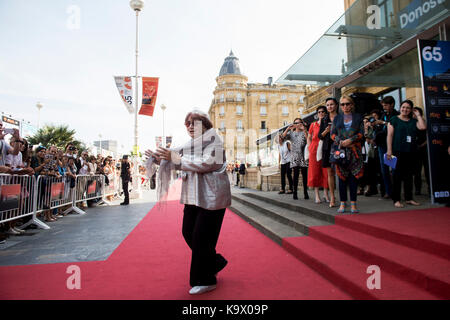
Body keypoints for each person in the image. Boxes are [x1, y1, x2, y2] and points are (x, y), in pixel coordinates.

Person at [146, 109, 231, 295]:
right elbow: (174, 158)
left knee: (202, 237)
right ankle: (215, 262)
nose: (191, 127)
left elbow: (207, 164)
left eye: (195, 123)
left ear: (205, 125)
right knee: (188, 232)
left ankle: (206, 279)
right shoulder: (189, 144)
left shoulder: (214, 140)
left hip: (212, 198)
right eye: (188, 124)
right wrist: (157, 156)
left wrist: (173, 158)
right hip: (193, 196)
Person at [386, 100, 426, 208]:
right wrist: (389, 150)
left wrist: (417, 115)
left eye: (408, 108)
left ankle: (409, 198)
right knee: (397, 176)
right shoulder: (394, 120)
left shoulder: (413, 121)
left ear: (411, 110)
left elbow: (422, 127)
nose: (405, 109)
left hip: (411, 151)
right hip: (397, 151)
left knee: (409, 176)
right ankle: (396, 199)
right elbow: (389, 136)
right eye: (403, 107)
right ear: (400, 108)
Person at [331, 95, 364, 214]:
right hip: (341, 151)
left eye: (347, 104)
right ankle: (343, 203)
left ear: (352, 105)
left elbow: (362, 133)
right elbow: (332, 134)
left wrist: (351, 140)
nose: (345, 106)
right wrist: (340, 141)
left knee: (353, 178)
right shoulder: (337, 118)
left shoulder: (358, 117)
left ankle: (354, 204)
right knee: (341, 178)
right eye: (343, 104)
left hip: (355, 150)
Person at [375, 96, 399, 199]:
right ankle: (388, 191)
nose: (384, 107)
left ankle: (395, 192)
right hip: (381, 144)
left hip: (392, 145)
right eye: (383, 105)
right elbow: (380, 127)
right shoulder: (383, 114)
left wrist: (383, 123)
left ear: (392, 104)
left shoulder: (396, 115)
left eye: (386, 105)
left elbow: (395, 126)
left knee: (393, 169)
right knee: (384, 170)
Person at [282, 118, 309, 200]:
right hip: (294, 156)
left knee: (305, 175)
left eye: (299, 123)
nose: (297, 124)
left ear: (302, 123)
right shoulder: (291, 133)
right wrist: (288, 128)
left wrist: (304, 130)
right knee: (295, 175)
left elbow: (308, 141)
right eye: (295, 123)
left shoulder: (304, 132)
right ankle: (295, 193)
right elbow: (283, 137)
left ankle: (305, 192)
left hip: (303, 156)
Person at [307, 106, 330, 204]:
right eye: (319, 112)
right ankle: (317, 195)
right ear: (317, 114)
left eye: (323, 111)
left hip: (325, 149)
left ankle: (326, 194)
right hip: (314, 150)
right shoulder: (313, 124)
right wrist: (309, 147)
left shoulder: (327, 124)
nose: (321, 113)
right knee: (315, 172)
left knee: (326, 172)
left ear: (325, 113)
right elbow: (309, 137)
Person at [319, 98, 338, 207]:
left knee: (340, 172)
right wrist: (326, 130)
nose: (329, 106)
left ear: (336, 105)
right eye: (327, 105)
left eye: (331, 104)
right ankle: (332, 197)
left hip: (339, 147)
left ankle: (344, 198)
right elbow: (319, 136)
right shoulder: (324, 119)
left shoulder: (341, 117)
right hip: (327, 147)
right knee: (330, 173)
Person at [412, 107, 430, 195]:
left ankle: (430, 188)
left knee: (427, 170)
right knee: (417, 171)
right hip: (415, 150)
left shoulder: (424, 121)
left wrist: (423, 144)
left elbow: (428, 135)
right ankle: (417, 189)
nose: (414, 114)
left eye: (415, 112)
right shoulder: (412, 123)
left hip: (425, 149)